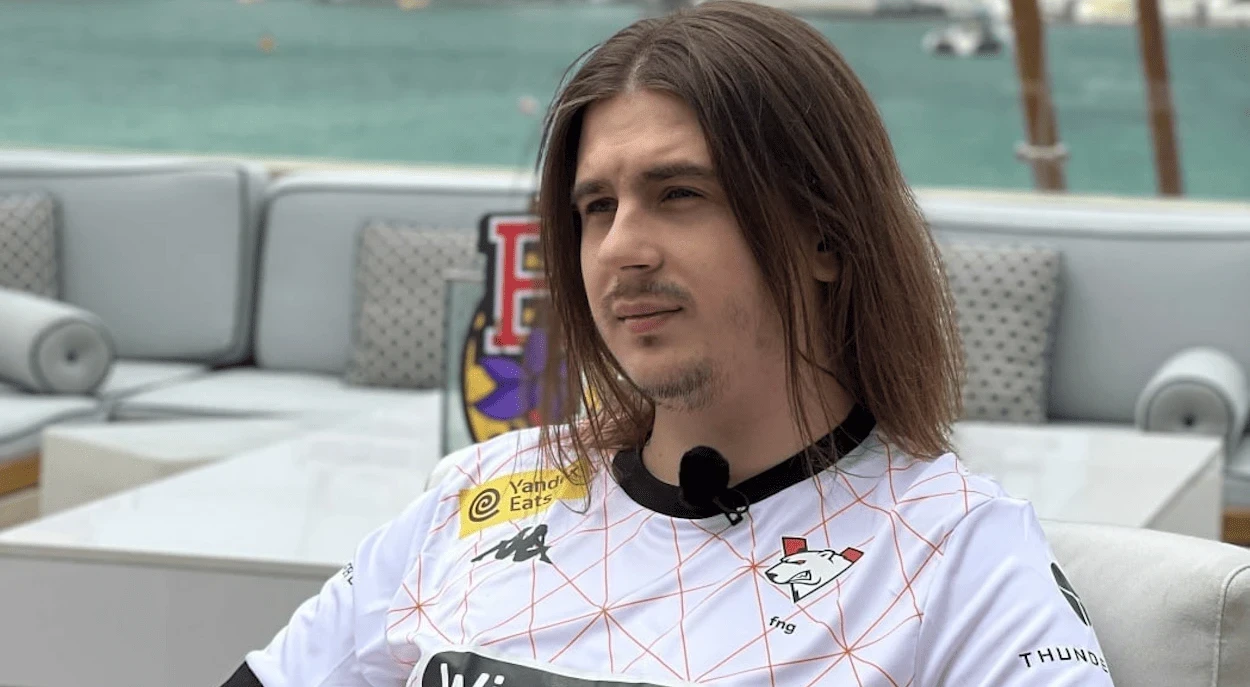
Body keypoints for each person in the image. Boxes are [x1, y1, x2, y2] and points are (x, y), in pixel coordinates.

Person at [223, 2, 1115, 685]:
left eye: (679, 194)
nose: (621, 248)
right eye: (596, 207)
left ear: (825, 234)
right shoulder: (472, 497)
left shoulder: (956, 552)